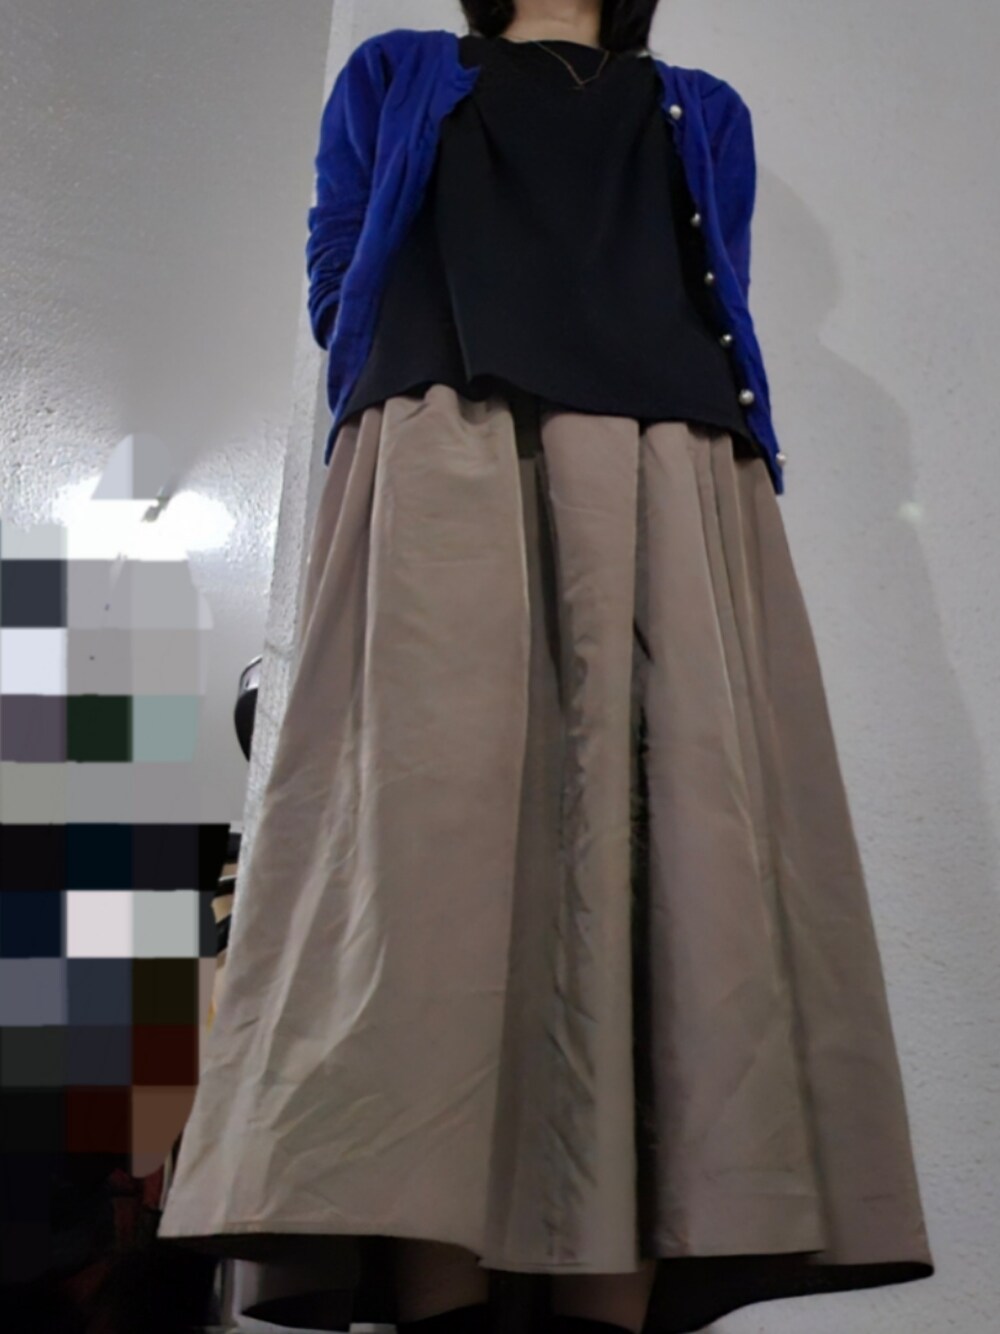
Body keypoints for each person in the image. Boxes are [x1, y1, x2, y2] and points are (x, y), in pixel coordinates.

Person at [156, 4, 935, 1333]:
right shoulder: (394, 72)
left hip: (665, 482)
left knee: (659, 865)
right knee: (430, 866)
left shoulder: (705, 109)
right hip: (445, 452)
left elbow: (718, 290)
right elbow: (340, 275)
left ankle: (610, 1281)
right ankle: (441, 1285)